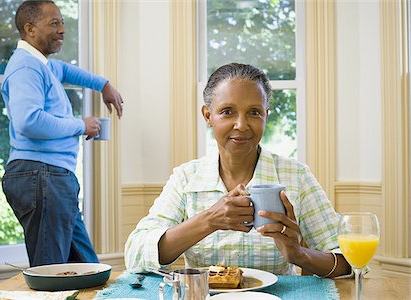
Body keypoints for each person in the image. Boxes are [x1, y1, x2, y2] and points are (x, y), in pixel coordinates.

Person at [124, 63, 352, 277]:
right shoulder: (186, 178)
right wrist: (209, 220)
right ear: (208, 116)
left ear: (266, 116)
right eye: (227, 112)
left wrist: (300, 255)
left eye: (254, 112)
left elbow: (349, 261)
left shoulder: (296, 176)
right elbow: (135, 254)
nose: (241, 125)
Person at [0, 0, 123, 267]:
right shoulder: (25, 67)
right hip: (42, 177)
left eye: (62, 23)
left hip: (53, 179)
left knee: (86, 268)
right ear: (30, 29)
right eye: (54, 23)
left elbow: (67, 70)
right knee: (52, 272)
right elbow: (29, 121)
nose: (62, 30)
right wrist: (82, 125)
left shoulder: (42, 64)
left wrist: (103, 85)